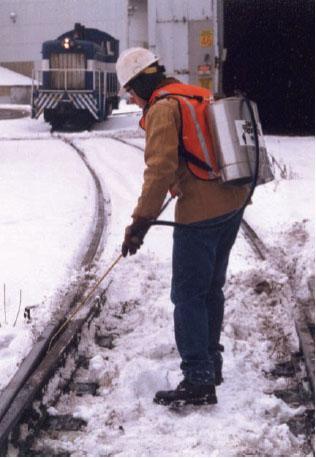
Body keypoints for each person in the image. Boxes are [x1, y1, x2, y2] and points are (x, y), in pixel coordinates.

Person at [115, 47, 248, 406]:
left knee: (188, 296)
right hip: (232, 204)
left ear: (143, 80)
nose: (130, 96)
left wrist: (139, 223)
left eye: (130, 88)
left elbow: (158, 170)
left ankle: (199, 379)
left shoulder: (162, 108)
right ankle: (211, 364)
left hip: (201, 216)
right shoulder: (196, 95)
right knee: (211, 289)